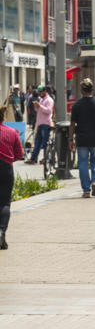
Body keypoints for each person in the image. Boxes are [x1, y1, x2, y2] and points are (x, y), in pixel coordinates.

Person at [68, 78, 95, 198]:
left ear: (82, 89)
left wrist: (71, 140)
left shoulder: (77, 105)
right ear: (92, 89)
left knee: (83, 163)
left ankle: (86, 190)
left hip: (82, 139)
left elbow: (72, 124)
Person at [0, 103, 24, 249]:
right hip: (6, 168)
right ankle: (1, 231)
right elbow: (19, 154)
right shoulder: (12, 132)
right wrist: (9, 159)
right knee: (4, 202)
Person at [24, 86, 54, 165]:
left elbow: (48, 111)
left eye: (40, 93)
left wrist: (39, 106)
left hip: (46, 124)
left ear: (44, 91)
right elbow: (38, 110)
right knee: (37, 142)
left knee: (45, 142)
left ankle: (46, 158)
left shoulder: (49, 100)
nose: (39, 94)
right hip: (40, 123)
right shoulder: (41, 99)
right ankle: (33, 158)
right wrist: (36, 106)